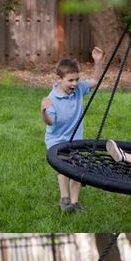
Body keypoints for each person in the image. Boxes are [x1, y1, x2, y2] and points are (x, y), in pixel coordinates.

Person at [41, 47, 104, 212]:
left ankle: (75, 203)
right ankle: (64, 198)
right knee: (65, 168)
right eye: (70, 80)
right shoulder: (52, 99)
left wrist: (98, 62)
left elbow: (96, 81)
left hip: (75, 139)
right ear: (59, 79)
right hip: (57, 140)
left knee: (77, 168)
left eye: (77, 79)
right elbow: (50, 122)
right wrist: (43, 112)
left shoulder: (79, 89)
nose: (75, 84)